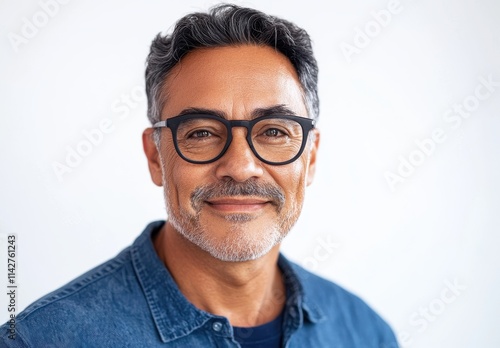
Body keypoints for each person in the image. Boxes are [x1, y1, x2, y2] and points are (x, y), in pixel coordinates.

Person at [1, 4, 399, 347]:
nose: (241, 166)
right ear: (156, 157)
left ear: (309, 158)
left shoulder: (366, 333)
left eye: (274, 131)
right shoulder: (40, 339)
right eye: (202, 133)